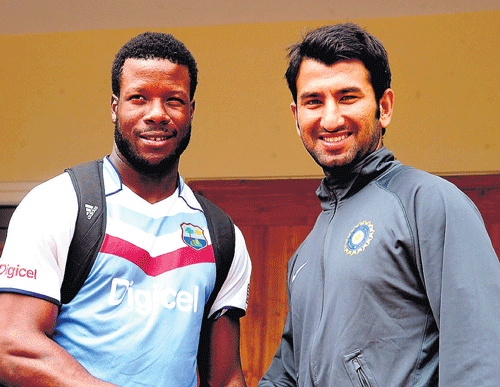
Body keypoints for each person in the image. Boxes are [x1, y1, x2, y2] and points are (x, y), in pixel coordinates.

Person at [0, 32, 251, 387]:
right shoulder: (57, 204)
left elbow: (225, 378)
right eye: (139, 98)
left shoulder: (221, 235)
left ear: (191, 111)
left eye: (174, 100)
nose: (157, 114)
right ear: (115, 107)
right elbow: (12, 346)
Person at [258, 22, 500, 386]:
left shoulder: (429, 203)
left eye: (347, 97)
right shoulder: (304, 255)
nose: (330, 118)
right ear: (296, 117)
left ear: (383, 107)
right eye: (313, 101)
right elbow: (287, 375)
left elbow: (480, 354)